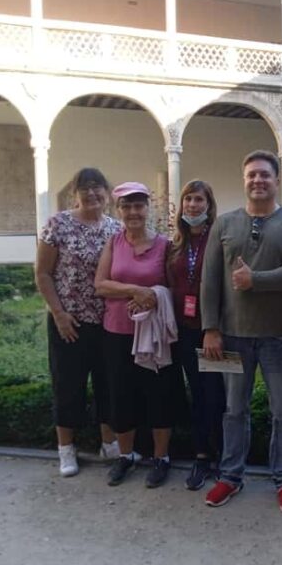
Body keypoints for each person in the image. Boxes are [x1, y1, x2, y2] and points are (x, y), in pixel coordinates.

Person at [200, 150, 282, 513]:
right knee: (234, 409)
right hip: (231, 335)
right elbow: (210, 279)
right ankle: (230, 476)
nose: (258, 181)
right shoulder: (224, 223)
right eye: (251, 175)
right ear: (243, 180)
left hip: (278, 335)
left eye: (265, 175)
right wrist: (210, 328)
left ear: (277, 180)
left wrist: (256, 280)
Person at [95, 181, 184, 489]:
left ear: (148, 208)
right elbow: (101, 284)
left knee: (159, 394)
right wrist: (135, 290)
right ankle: (127, 455)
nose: (133, 212)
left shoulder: (164, 245)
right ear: (118, 210)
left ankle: (161, 458)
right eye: (126, 206)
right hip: (117, 333)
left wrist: (155, 295)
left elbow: (175, 288)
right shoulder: (113, 243)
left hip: (154, 336)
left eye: (138, 205)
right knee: (121, 395)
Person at [35, 167, 122, 478]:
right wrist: (58, 313)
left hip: (106, 322)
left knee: (106, 383)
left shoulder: (115, 228)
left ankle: (109, 443)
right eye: (85, 188)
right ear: (75, 193)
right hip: (68, 321)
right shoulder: (57, 225)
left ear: (107, 193)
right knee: (67, 384)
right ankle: (66, 449)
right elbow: (43, 273)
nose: (92, 193)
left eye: (98, 187)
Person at [166, 179, 226, 491]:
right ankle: (202, 455)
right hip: (184, 332)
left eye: (199, 199)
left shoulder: (219, 239)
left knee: (218, 394)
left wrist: (212, 328)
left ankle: (222, 456)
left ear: (208, 205)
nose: (193, 205)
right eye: (188, 199)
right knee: (198, 394)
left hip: (213, 331)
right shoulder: (176, 243)